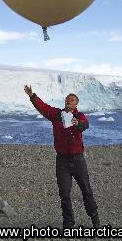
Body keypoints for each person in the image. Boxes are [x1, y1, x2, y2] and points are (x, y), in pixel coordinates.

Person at [24, 85, 100, 229]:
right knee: (64, 193)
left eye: (71, 100)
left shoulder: (79, 116)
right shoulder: (56, 115)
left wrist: (79, 124)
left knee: (86, 190)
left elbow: (85, 125)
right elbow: (43, 107)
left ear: (76, 104)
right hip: (62, 161)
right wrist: (32, 96)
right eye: (67, 99)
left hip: (78, 160)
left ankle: (95, 218)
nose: (68, 101)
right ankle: (68, 223)